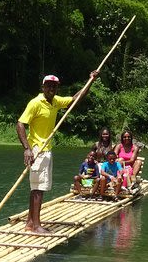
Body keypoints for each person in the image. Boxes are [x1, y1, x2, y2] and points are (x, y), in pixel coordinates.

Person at [17, 71, 98, 233]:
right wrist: (27, 148)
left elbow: (76, 99)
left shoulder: (55, 102)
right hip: (37, 150)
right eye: (49, 86)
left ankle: (30, 223)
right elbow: (20, 124)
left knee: (37, 187)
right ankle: (36, 226)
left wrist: (91, 81)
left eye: (54, 86)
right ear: (43, 87)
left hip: (46, 150)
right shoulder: (35, 103)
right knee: (38, 188)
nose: (51, 88)